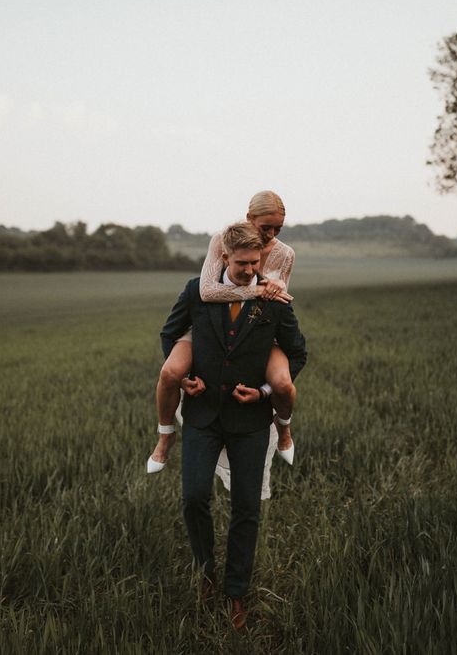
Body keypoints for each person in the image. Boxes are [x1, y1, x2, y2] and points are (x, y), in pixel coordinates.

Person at [159, 221, 307, 629]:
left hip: (250, 422)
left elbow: (297, 354)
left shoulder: (273, 298)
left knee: (246, 509)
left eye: (255, 263)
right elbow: (170, 334)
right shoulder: (197, 291)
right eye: (242, 263)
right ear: (224, 258)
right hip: (203, 416)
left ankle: (236, 592)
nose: (250, 271)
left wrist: (263, 391)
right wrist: (186, 377)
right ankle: (206, 575)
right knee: (193, 498)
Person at [148, 191, 297, 500]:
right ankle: (165, 438)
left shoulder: (286, 254)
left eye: (278, 229)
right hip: (211, 328)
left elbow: (278, 301)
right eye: (265, 227)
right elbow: (207, 291)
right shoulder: (221, 241)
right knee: (170, 372)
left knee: (282, 383)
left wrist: (267, 296)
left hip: (254, 329)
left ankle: (284, 431)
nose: (271, 235)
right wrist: (256, 291)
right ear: (249, 219)